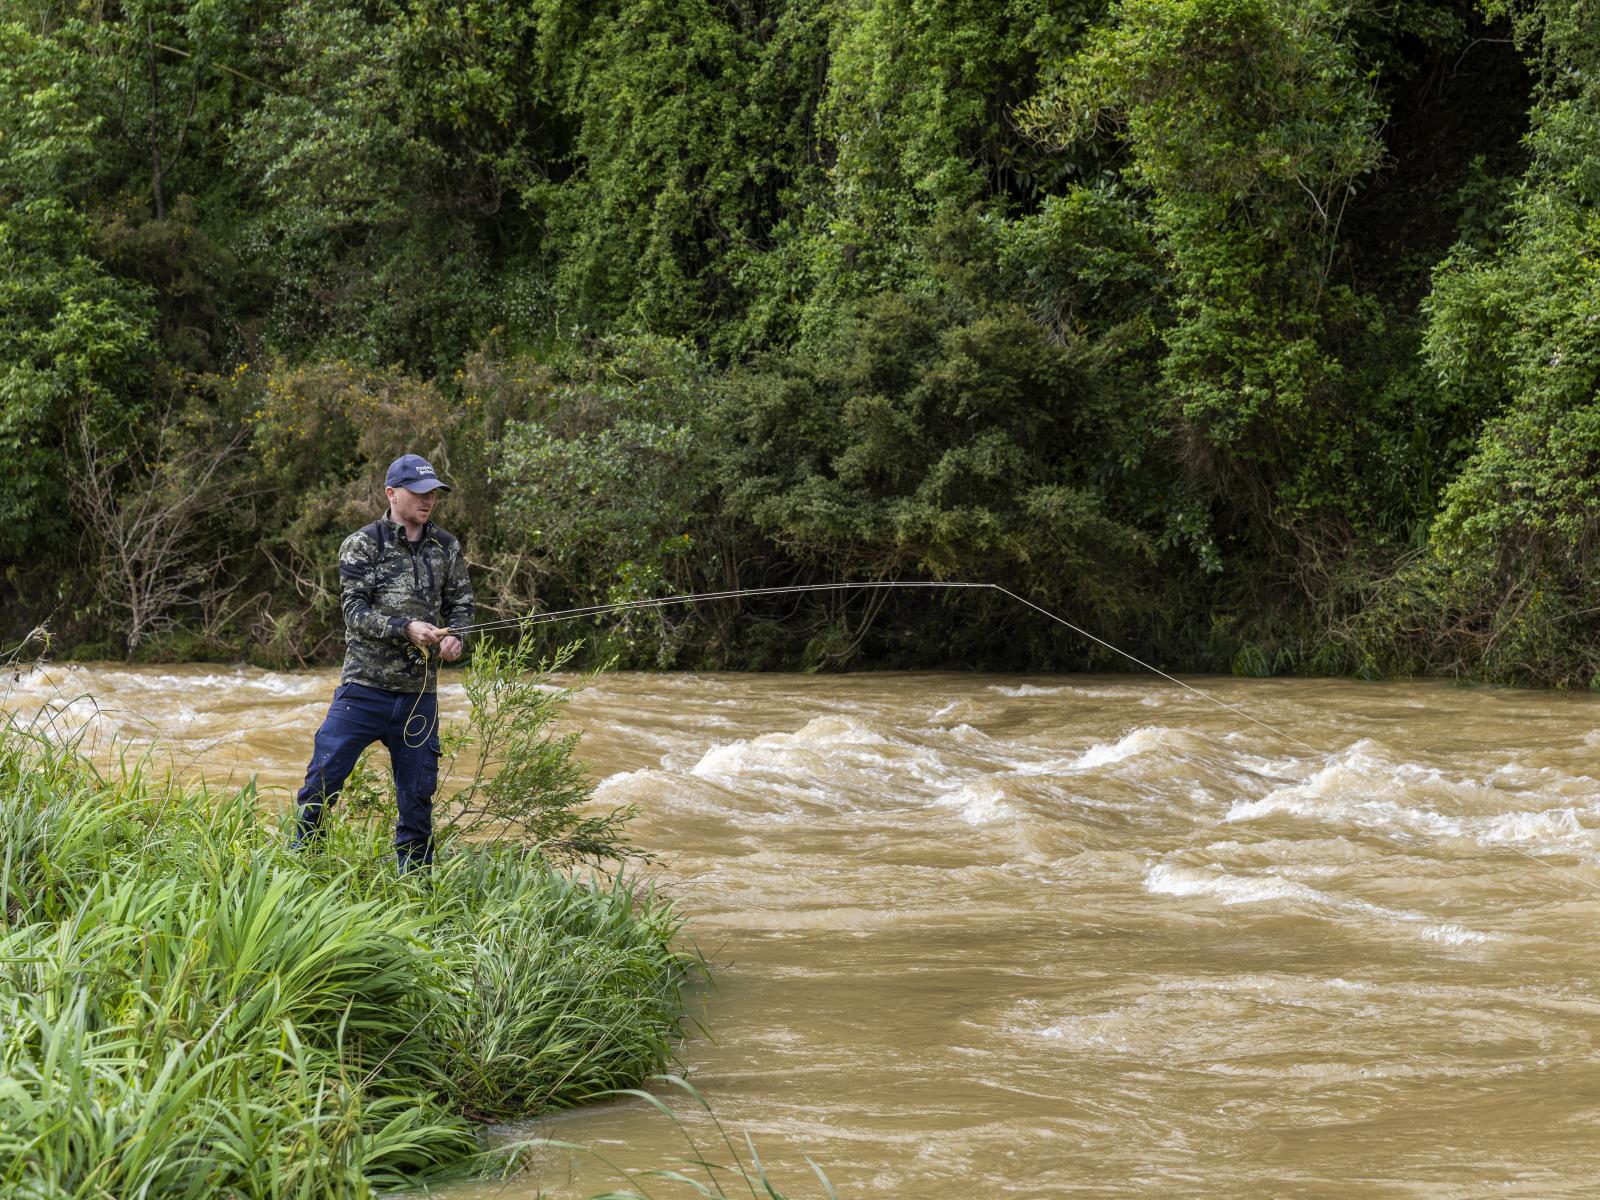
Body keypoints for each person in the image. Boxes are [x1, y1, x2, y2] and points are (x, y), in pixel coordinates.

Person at [292, 453, 474, 870]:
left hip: (418, 696)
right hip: (363, 690)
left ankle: (416, 883)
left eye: (433, 494)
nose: (428, 501)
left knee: (416, 797)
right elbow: (354, 612)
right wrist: (405, 627)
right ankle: (302, 863)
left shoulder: (447, 547)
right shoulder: (362, 543)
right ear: (392, 493)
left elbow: (461, 606)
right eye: (419, 492)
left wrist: (455, 639)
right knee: (323, 779)